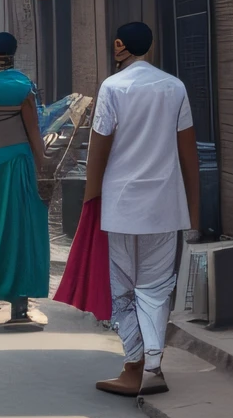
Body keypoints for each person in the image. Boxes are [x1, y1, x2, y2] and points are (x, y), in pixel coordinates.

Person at [85, 20, 199, 397]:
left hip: (120, 206)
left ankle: (133, 366)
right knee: (156, 288)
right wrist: (194, 213)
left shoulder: (112, 87)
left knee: (124, 288)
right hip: (165, 205)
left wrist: (89, 199)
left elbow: (98, 149)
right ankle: (153, 367)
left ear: (119, 46)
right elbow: (188, 154)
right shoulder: (174, 87)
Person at [0, 31, 49, 327]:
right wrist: (43, 164)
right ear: (14, 53)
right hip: (20, 165)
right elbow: (33, 132)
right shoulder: (24, 87)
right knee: (22, 231)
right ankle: (19, 310)